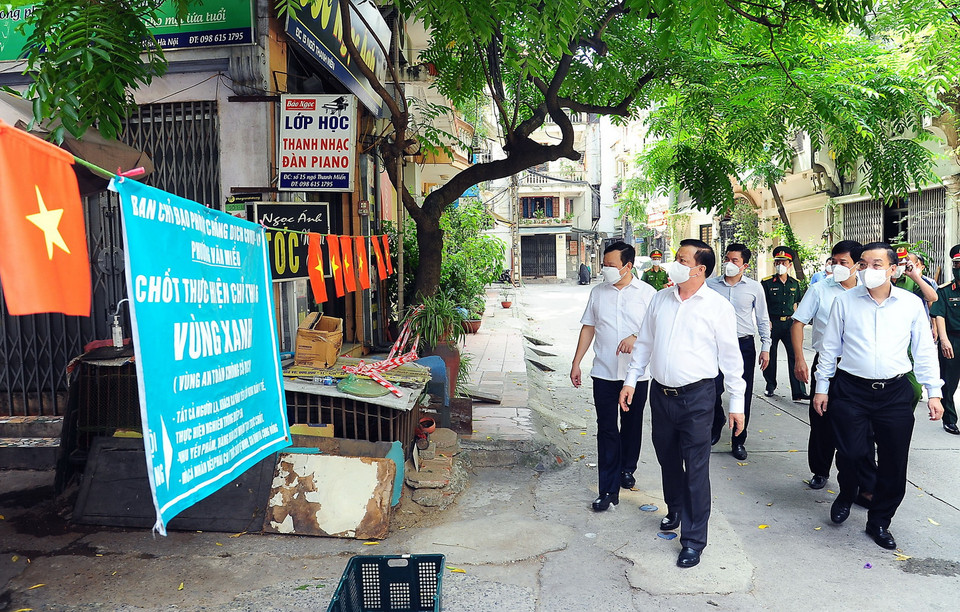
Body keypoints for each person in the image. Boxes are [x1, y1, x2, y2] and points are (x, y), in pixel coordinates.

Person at [619, 239, 745, 568]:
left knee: (696, 468)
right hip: (661, 396)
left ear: (699, 269)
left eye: (681, 259)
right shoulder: (661, 300)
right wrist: (631, 381)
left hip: (699, 398)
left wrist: (737, 404)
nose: (674, 262)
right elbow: (644, 344)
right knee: (667, 458)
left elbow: (732, 361)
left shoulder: (717, 307)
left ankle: (693, 540)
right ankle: (674, 508)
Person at [813, 242, 943, 550]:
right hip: (850, 389)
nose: (867, 270)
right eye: (863, 264)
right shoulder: (845, 302)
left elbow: (924, 350)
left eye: (876, 265)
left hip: (894, 392)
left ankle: (880, 520)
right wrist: (822, 387)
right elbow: (829, 347)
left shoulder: (910, 304)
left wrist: (934, 392)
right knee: (851, 451)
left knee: (893, 461)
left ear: (892, 269)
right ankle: (848, 491)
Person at [571, 242, 656, 511]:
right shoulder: (598, 293)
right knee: (606, 429)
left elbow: (657, 331)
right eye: (604, 265)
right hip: (604, 372)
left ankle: (626, 468)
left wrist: (636, 338)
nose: (605, 270)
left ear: (628, 266)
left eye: (611, 266)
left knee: (631, 426)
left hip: (636, 375)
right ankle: (607, 491)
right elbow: (588, 328)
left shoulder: (648, 294)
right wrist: (576, 363)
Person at [791, 240, 877, 496]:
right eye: (834, 262)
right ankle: (820, 470)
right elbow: (798, 323)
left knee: (863, 425)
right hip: (827, 363)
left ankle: (864, 483)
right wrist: (799, 359)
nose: (837, 267)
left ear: (857, 265)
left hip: (858, 367)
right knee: (822, 419)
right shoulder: (820, 289)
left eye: (844, 263)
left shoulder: (869, 289)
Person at [706, 243, 771, 460]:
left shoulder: (754, 288)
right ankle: (717, 423)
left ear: (745, 265)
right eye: (727, 259)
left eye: (735, 260)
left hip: (743, 345)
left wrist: (766, 347)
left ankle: (738, 440)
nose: (729, 264)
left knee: (743, 392)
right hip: (714, 345)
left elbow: (762, 319)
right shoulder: (710, 285)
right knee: (711, 389)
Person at [762, 247, 809, 401]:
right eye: (777, 262)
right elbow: (763, 305)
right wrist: (766, 321)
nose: (780, 265)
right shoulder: (767, 283)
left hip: (789, 323)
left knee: (795, 356)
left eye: (783, 262)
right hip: (773, 323)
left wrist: (797, 323)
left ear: (789, 265)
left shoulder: (794, 284)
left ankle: (798, 391)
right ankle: (770, 385)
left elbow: (796, 304)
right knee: (771, 356)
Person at [930, 245, 960, 436]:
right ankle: (950, 420)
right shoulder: (945, 290)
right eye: (956, 264)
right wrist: (944, 340)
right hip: (953, 339)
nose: (958, 268)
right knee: (948, 382)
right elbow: (939, 315)